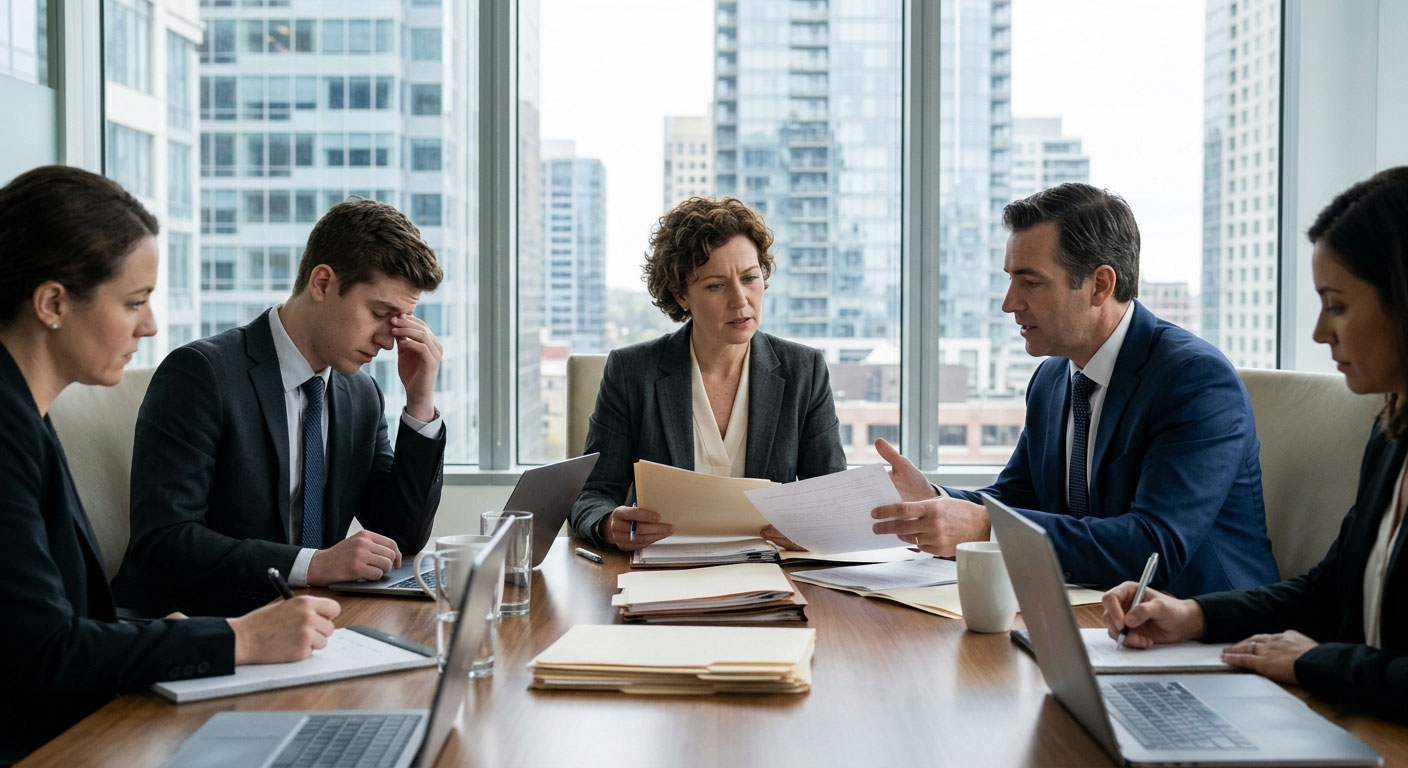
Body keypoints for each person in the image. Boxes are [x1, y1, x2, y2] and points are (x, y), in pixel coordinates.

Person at [0, 166, 340, 764]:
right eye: (134, 301)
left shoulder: (28, 411)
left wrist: (168, 637)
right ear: (53, 302)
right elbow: (43, 651)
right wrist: (237, 637)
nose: (150, 325)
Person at [1102, 167, 1408, 723]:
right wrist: (1192, 615)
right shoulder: (1392, 433)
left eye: (1337, 305)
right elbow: (1329, 588)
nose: (1319, 332)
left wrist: (1319, 663)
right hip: (1360, 722)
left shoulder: (1189, 375)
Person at [873, 183, 1278, 596]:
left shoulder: (1195, 380)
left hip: (1207, 632)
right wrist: (933, 500)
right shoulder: (1052, 378)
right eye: (1011, 280)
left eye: (1029, 282)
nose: (1009, 303)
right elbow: (1018, 497)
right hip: (1091, 612)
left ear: (1100, 285)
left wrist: (987, 528)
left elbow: (1154, 547)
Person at [112, 198, 446, 617]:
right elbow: (164, 543)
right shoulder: (201, 374)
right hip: (196, 626)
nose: (387, 339)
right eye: (380, 313)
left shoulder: (361, 395)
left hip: (306, 626)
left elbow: (402, 535)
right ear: (322, 283)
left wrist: (420, 403)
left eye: (402, 321)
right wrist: (315, 564)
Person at [569, 196, 846, 550]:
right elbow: (590, 496)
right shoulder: (631, 372)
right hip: (664, 573)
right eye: (716, 285)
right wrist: (609, 524)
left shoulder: (805, 371)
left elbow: (833, 497)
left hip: (773, 574)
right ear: (680, 293)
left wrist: (812, 527)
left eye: (750, 278)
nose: (740, 300)